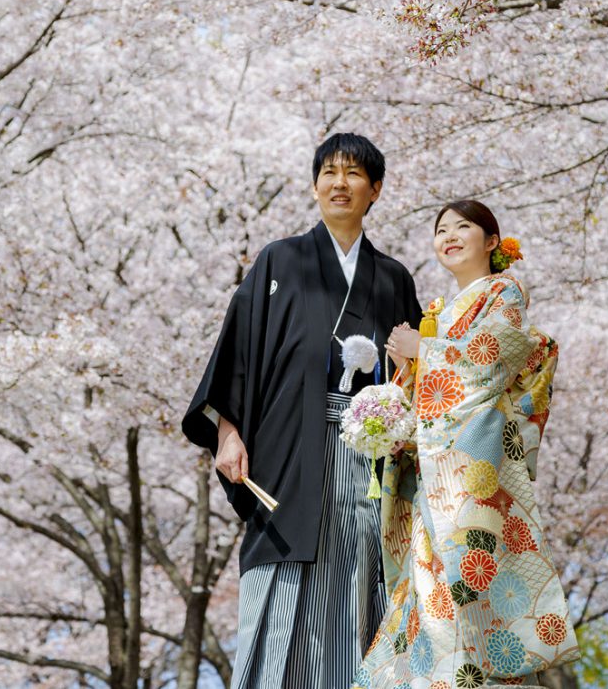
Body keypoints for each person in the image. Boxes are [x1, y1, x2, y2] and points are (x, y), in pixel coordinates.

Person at [182, 133, 422, 689]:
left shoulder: (393, 277)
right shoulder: (279, 260)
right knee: (285, 570)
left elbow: (414, 379)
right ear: (315, 186)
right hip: (289, 449)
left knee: (366, 572)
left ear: (375, 190)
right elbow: (239, 352)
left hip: (370, 457)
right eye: (330, 173)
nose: (340, 184)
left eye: (354, 174)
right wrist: (228, 434)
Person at [354, 200, 579, 688]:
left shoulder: (504, 291)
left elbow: (490, 362)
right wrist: (394, 410)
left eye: (463, 227)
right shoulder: (437, 309)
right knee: (429, 584)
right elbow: (428, 393)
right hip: (431, 465)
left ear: (493, 242)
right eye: (441, 230)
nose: (449, 235)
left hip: (471, 466)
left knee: (469, 575)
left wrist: (426, 351)